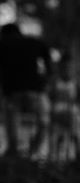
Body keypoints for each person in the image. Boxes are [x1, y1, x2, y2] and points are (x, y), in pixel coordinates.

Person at [0, 23, 52, 155]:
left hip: (12, 91)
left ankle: (13, 149)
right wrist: (47, 76)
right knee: (43, 121)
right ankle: (34, 149)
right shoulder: (33, 42)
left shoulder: (4, 43)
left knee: (12, 121)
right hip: (35, 89)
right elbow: (47, 55)